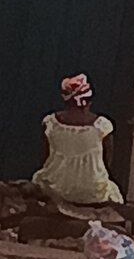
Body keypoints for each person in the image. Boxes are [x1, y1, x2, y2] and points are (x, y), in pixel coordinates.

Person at [32, 74, 123, 205]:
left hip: (55, 188)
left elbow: (44, 157)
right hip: (93, 192)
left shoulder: (50, 123)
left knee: (38, 179)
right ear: (89, 101)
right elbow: (106, 162)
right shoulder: (102, 126)